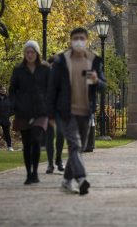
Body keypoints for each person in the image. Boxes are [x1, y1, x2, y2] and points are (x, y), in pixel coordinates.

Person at [48, 28, 106, 195]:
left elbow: (103, 86)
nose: (79, 41)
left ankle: (66, 181)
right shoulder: (61, 61)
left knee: (79, 148)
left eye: (82, 38)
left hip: (86, 111)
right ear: (71, 40)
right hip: (67, 112)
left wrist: (97, 82)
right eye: (76, 38)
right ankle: (81, 179)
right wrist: (50, 114)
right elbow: (52, 89)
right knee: (75, 145)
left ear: (86, 40)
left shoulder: (93, 60)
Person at [9, 41, 51, 185]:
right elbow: (12, 89)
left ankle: (35, 172)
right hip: (23, 111)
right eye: (27, 52)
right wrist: (14, 104)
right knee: (26, 144)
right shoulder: (19, 70)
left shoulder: (45, 69)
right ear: (24, 54)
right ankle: (28, 174)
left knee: (35, 139)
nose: (30, 55)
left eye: (32, 52)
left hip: (41, 111)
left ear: (37, 53)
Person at [45, 56, 65, 173]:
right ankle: (50, 163)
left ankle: (58, 158)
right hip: (48, 109)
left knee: (61, 133)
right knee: (49, 135)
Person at [0, 85, 13, 151]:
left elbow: (13, 108)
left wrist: (8, 114)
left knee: (7, 134)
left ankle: (9, 146)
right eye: (1, 89)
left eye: (4, 89)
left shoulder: (9, 98)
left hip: (5, 118)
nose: (3, 90)